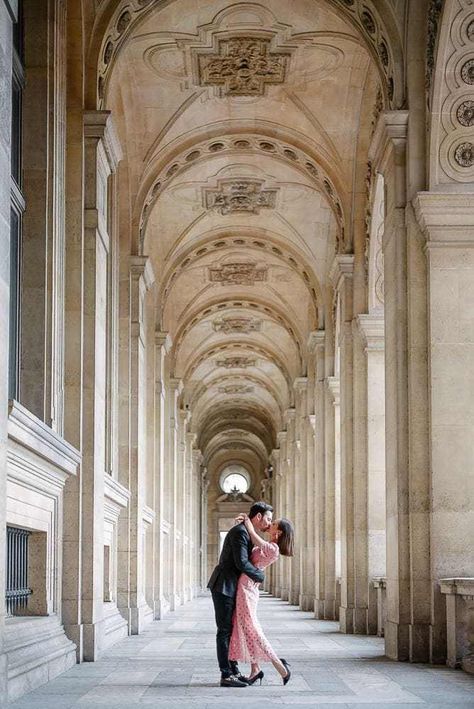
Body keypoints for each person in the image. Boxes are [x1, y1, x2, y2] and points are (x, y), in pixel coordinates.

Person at [207, 501, 273, 687]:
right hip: (224, 586)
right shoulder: (240, 532)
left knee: (229, 629)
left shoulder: (245, 531)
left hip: (230, 586)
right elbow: (241, 563)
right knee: (224, 631)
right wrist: (260, 576)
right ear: (258, 517)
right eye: (268, 519)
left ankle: (234, 671)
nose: (269, 523)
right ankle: (226, 675)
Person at [229, 513, 294, 686]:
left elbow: (253, 535)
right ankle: (255, 669)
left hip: (247, 588)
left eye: (273, 524)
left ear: (278, 532)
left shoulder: (273, 549)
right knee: (246, 627)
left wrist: (248, 522)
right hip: (245, 586)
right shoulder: (270, 546)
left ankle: (280, 666)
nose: (269, 524)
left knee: (253, 628)